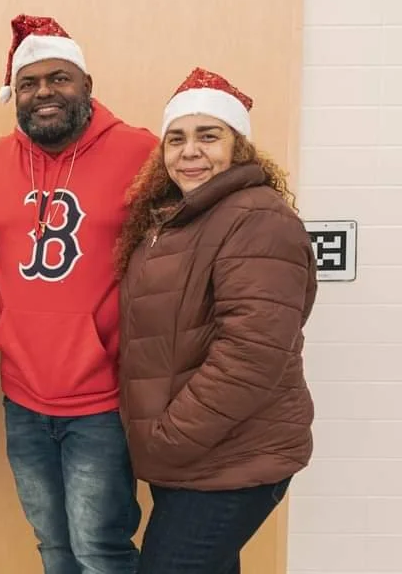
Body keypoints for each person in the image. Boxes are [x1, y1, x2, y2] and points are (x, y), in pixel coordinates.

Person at [116, 68, 316, 573]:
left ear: (239, 147)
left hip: (228, 458)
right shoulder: (178, 218)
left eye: (209, 136)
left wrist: (170, 437)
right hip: (197, 457)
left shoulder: (257, 218)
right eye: (177, 138)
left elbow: (252, 354)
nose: (190, 151)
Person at [0, 14, 154, 573]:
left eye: (59, 78)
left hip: (101, 397)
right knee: (53, 547)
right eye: (29, 83)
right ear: (15, 95)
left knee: (100, 549)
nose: (44, 93)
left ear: (87, 86)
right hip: (23, 394)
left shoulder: (141, 152)